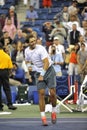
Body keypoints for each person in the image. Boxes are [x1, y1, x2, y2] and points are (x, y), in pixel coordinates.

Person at [25, 35, 57, 126]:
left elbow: (46, 62)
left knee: (53, 93)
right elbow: (27, 61)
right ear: (28, 43)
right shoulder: (26, 51)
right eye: (31, 41)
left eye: (34, 40)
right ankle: (43, 118)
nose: (34, 42)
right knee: (41, 93)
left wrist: (42, 75)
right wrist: (29, 68)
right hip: (38, 72)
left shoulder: (41, 49)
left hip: (49, 70)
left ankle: (53, 111)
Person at [0, 42, 17, 111]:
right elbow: (10, 67)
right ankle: (10, 104)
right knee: (7, 88)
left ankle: (0, 106)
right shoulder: (6, 56)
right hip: (5, 72)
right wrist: (8, 73)